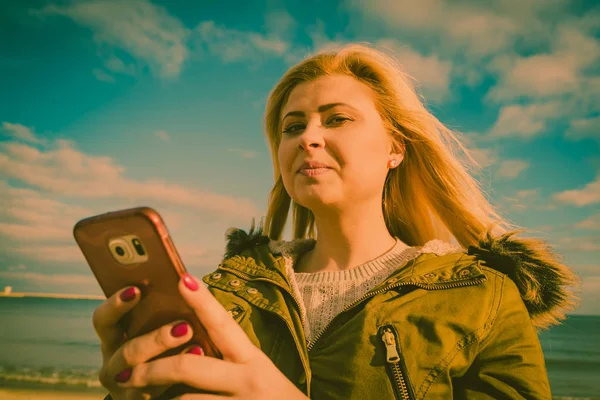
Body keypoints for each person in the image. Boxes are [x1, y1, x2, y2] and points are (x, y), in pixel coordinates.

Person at [93, 43, 578, 399]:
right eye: (293, 126)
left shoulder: (481, 297)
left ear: (394, 148)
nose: (309, 138)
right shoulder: (228, 294)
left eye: (337, 119)